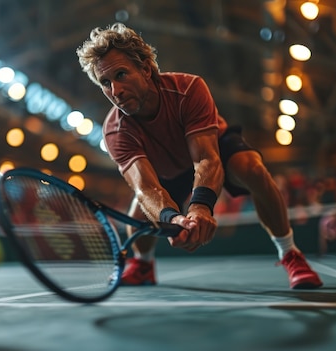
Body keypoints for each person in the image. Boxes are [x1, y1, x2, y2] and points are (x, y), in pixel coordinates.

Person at [76, 23, 322, 289]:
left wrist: (200, 207)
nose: (116, 91)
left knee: (252, 168)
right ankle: (143, 264)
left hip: (215, 149)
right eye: (105, 83)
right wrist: (173, 219)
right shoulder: (115, 130)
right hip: (165, 171)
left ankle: (290, 253)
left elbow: (206, 158)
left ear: (146, 69)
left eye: (121, 74)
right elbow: (145, 187)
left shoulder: (188, 89)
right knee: (137, 218)